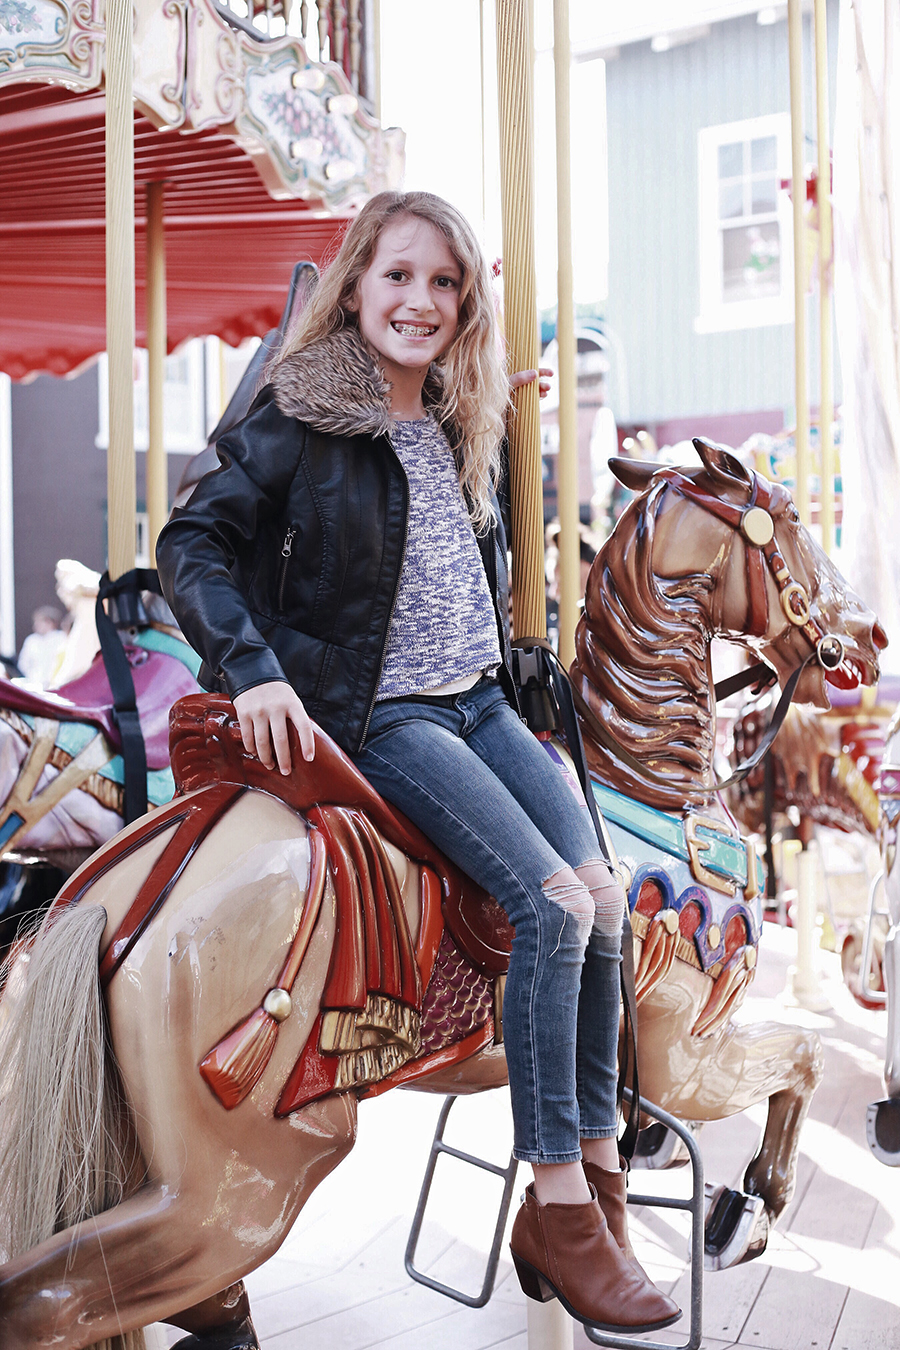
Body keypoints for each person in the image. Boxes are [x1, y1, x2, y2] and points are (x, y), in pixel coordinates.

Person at [157, 190, 680, 1337]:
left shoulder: (457, 418)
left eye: (444, 284)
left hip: (483, 702)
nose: (421, 302)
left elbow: (457, 578)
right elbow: (192, 540)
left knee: (603, 901)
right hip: (384, 714)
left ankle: (597, 1183)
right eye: (399, 277)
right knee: (548, 902)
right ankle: (554, 1199)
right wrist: (255, 668)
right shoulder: (303, 413)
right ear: (356, 285)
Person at [17, 605, 66, 688]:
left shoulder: (61, 638)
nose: (36, 625)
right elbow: (23, 664)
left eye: (39, 622)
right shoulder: (31, 640)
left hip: (56, 685)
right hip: (34, 685)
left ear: (50, 622)